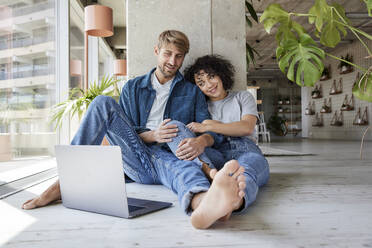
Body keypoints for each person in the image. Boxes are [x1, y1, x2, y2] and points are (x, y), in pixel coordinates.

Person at [22, 30, 247, 229]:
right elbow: (125, 130)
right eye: (167, 53)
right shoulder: (133, 87)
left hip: (173, 155)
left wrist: (201, 141)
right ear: (156, 50)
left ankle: (207, 203)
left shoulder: (192, 91)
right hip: (136, 157)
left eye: (179, 56)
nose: (172, 61)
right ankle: (64, 182)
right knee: (102, 102)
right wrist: (152, 135)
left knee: (183, 167)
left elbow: (210, 130)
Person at [184, 54, 270, 219]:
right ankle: (210, 193)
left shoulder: (242, 97)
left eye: (211, 77)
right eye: (201, 83)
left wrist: (209, 125)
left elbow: (246, 127)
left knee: (248, 168)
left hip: (245, 148)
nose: (209, 85)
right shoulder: (199, 107)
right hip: (215, 151)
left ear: (221, 74)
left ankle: (234, 202)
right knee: (193, 158)